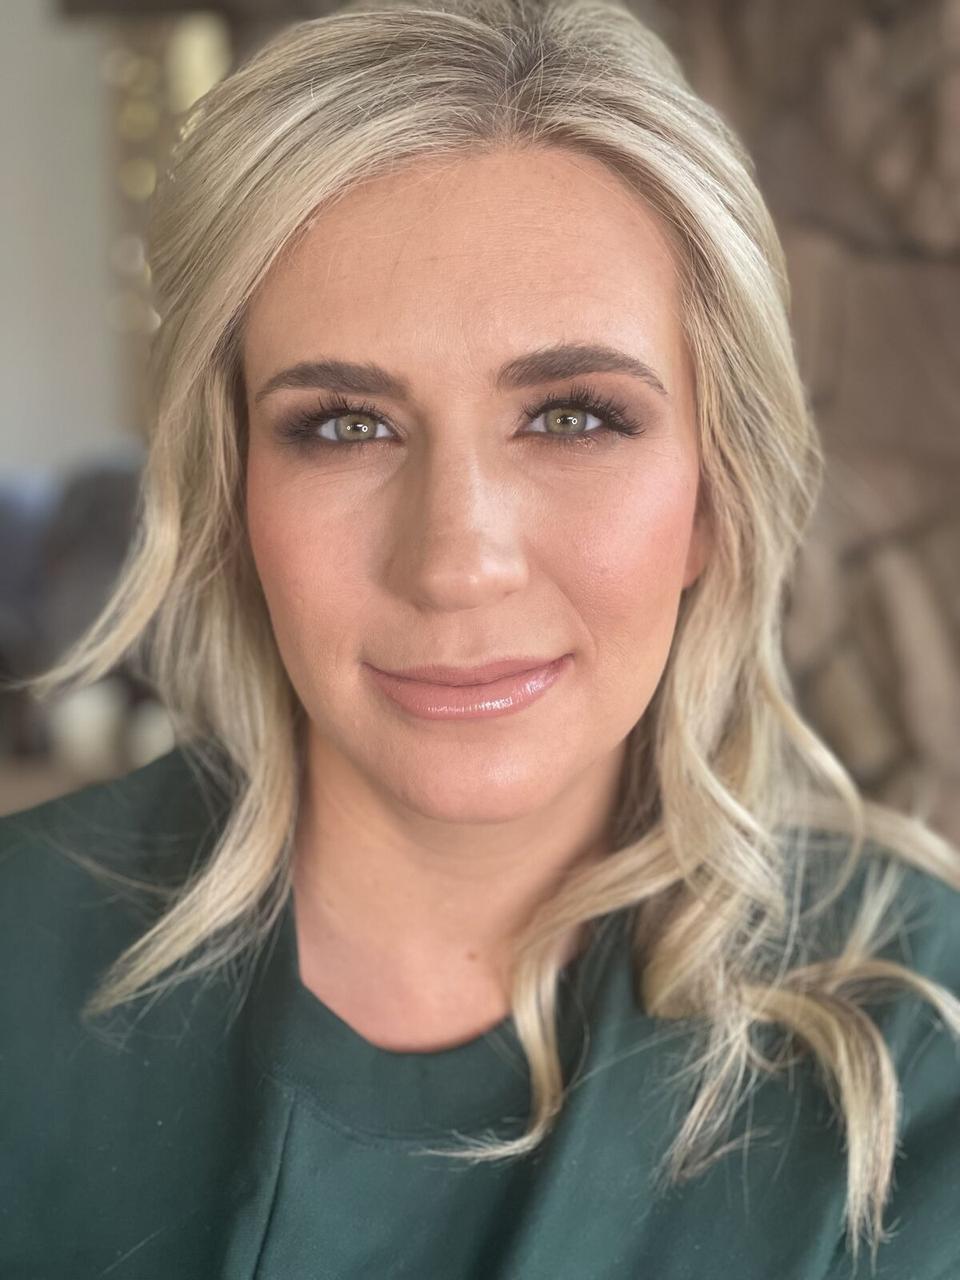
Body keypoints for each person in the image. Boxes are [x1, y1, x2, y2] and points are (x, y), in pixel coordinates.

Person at [1, 0, 958, 1275]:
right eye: (345, 425)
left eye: (572, 416)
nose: (455, 562)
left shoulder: (913, 1026)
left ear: (712, 498)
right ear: (232, 495)